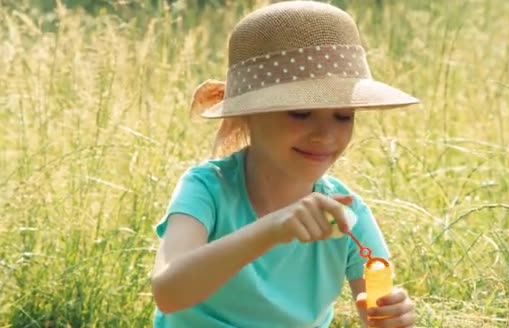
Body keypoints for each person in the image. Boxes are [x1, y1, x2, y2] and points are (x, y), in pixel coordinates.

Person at [151, 1, 420, 327]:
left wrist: (393, 316)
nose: (325, 135)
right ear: (248, 112)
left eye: (343, 116)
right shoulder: (206, 189)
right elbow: (168, 292)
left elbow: (377, 314)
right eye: (300, 113)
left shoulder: (349, 216)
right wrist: (272, 229)